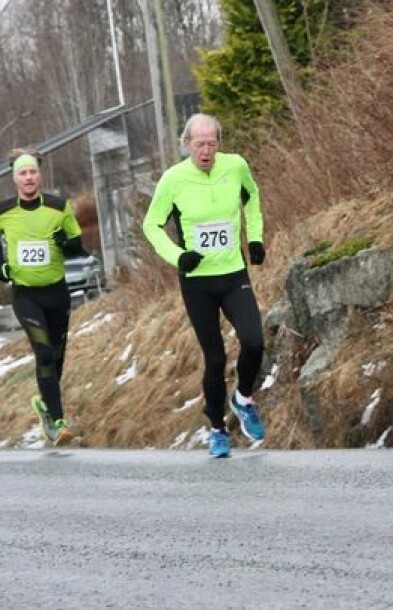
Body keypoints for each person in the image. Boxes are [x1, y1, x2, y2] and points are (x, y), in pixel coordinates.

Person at [142, 113, 267, 458]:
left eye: (212, 143)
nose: (206, 151)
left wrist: (254, 239)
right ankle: (217, 430)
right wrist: (177, 256)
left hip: (233, 273)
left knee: (254, 341)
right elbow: (151, 225)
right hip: (197, 282)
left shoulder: (236, 166)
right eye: (200, 144)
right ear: (187, 145)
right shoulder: (173, 180)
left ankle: (243, 399)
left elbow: (252, 198)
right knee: (215, 358)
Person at [0, 149, 88, 447]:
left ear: (39, 175)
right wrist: (0, 265)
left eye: (32, 172)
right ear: (14, 178)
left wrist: (64, 242)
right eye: (22, 173)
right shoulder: (2, 210)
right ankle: (58, 422)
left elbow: (77, 246)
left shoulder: (58, 206)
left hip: (57, 292)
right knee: (43, 353)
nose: (28, 178)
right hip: (25, 293)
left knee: (56, 358)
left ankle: (45, 405)